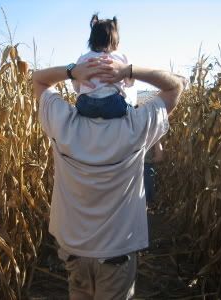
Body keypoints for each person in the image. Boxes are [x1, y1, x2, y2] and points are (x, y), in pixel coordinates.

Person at [33, 58, 185, 300]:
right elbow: (174, 86)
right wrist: (129, 70)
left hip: (74, 252)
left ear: (80, 88)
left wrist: (72, 71)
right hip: (116, 255)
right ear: (121, 88)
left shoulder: (63, 122)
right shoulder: (136, 126)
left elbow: (38, 79)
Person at [72, 14, 134, 119]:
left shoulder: (83, 59)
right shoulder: (121, 57)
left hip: (85, 104)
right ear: (116, 40)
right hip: (113, 103)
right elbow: (129, 83)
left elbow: (76, 87)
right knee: (129, 108)